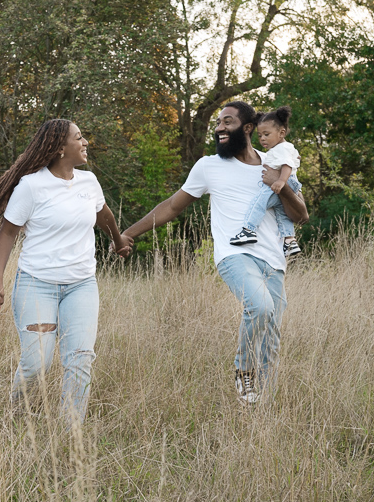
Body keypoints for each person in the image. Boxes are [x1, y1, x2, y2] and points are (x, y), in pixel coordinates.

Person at [121, 102, 308, 404]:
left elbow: (301, 216)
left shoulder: (273, 161)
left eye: (228, 122)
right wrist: (129, 232)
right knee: (259, 308)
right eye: (218, 123)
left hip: (274, 260)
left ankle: (262, 409)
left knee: (271, 339)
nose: (220, 128)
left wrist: (279, 185)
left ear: (247, 128)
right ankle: (243, 372)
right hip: (234, 255)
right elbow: (172, 206)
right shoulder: (209, 166)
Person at [0, 119, 132, 425]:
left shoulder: (88, 182)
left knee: (80, 359)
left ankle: (71, 432)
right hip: (36, 286)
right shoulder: (31, 186)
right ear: (58, 148)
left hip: (81, 286)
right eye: (79, 138)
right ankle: (15, 418)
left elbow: (103, 214)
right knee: (36, 362)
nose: (85, 143)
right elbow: (8, 233)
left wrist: (118, 241)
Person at [228, 106, 304, 258]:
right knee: (282, 213)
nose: (262, 138)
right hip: (290, 182)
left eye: (267, 134)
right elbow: (296, 159)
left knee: (259, 202)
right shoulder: (287, 147)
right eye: (260, 135)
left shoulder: (280, 149)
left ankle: (249, 230)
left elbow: (287, 165)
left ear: (281, 133)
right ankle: (290, 241)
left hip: (279, 181)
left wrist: (281, 181)